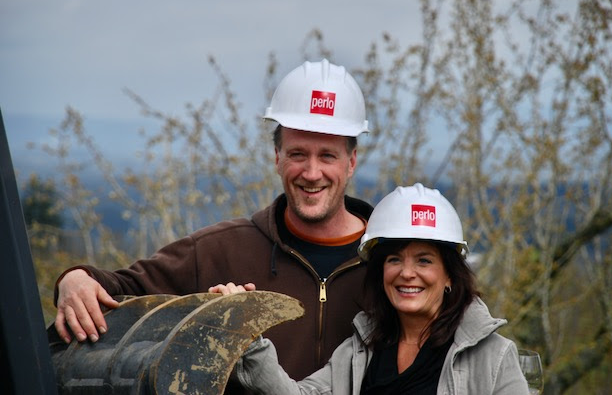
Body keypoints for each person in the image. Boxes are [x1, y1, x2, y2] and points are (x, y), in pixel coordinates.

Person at [53, 59, 374, 390]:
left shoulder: (389, 262)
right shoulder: (218, 251)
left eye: (327, 156)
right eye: (297, 154)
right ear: (277, 157)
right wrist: (76, 279)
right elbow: (122, 291)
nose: (311, 172)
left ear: (351, 162)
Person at [228, 183, 529, 394]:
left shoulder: (493, 357)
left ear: (450, 275)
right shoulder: (361, 351)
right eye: (394, 259)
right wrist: (251, 341)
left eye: (424, 261)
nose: (407, 273)